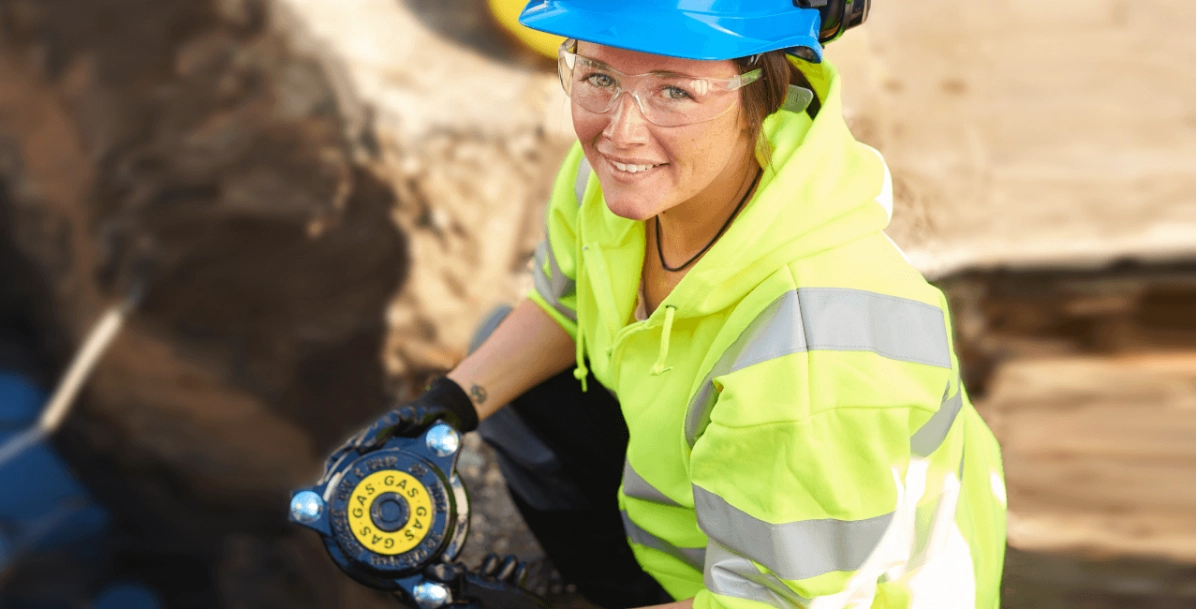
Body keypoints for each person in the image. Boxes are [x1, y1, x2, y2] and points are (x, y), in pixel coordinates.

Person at [338, 1, 1007, 607]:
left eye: (675, 90)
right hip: (704, 521)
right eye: (597, 75)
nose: (620, 134)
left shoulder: (817, 341)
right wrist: (450, 401)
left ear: (766, 91)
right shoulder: (623, 183)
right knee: (508, 371)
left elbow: (782, 603)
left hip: (828, 594)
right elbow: (566, 303)